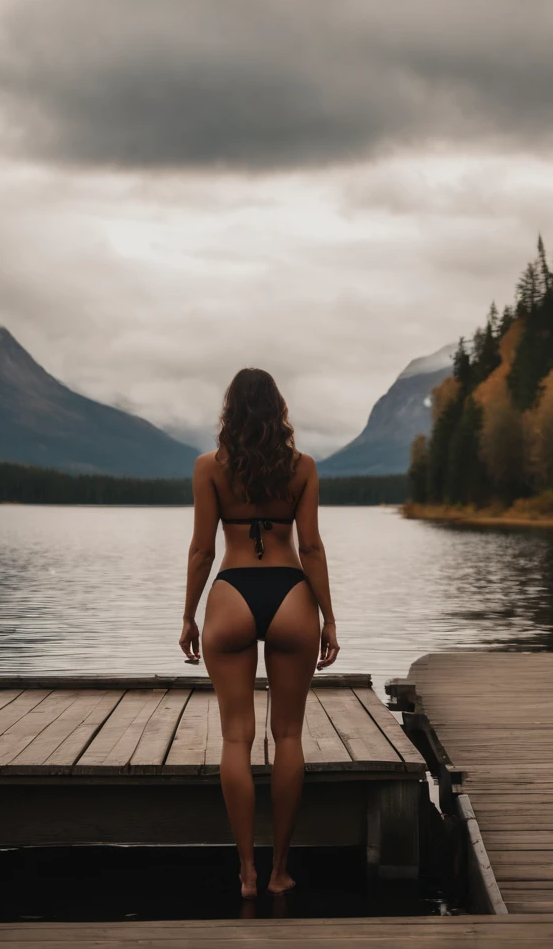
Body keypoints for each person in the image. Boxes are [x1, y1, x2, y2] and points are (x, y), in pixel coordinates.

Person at [179, 367, 339, 899]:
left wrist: (188, 615)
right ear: (278, 411)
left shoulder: (209, 468)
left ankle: (246, 871)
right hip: (292, 595)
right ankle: (280, 871)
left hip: (232, 596)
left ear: (230, 412)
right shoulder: (303, 468)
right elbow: (311, 547)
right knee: (289, 736)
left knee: (235, 738)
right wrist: (330, 618)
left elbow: (202, 550)